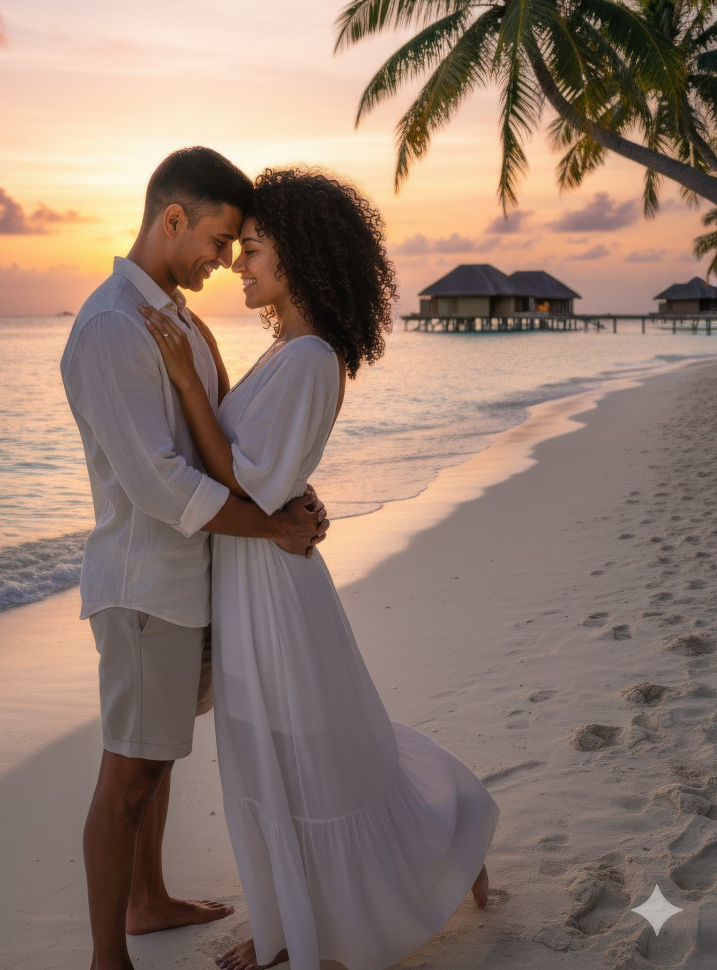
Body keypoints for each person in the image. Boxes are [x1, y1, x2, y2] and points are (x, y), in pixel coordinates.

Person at [140, 167, 500, 970]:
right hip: (255, 572)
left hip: (273, 586)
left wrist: (183, 379)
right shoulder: (287, 353)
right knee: (288, 749)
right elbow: (273, 466)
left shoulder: (308, 358)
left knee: (307, 749)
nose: (238, 262)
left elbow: (250, 478)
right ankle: (291, 925)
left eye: (255, 248)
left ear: (298, 257)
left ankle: (324, 917)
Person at [59, 147, 330, 970]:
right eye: (219, 239)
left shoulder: (173, 315)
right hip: (147, 586)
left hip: (192, 581)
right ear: (172, 218)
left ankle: (147, 900)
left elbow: (229, 444)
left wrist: (285, 499)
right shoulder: (113, 326)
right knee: (131, 771)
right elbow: (159, 486)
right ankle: (110, 954)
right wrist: (272, 528)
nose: (225, 260)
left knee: (158, 751)